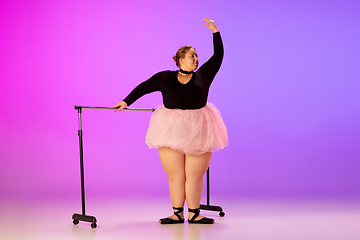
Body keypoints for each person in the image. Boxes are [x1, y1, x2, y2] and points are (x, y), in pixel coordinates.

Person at [112, 18, 228, 224]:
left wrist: (216, 33)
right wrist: (125, 101)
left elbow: (218, 56)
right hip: (170, 128)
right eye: (192, 55)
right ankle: (177, 213)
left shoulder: (204, 75)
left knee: (194, 175)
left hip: (199, 127)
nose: (196, 59)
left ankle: (194, 213)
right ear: (180, 59)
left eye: (197, 56)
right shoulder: (165, 77)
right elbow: (144, 86)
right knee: (175, 175)